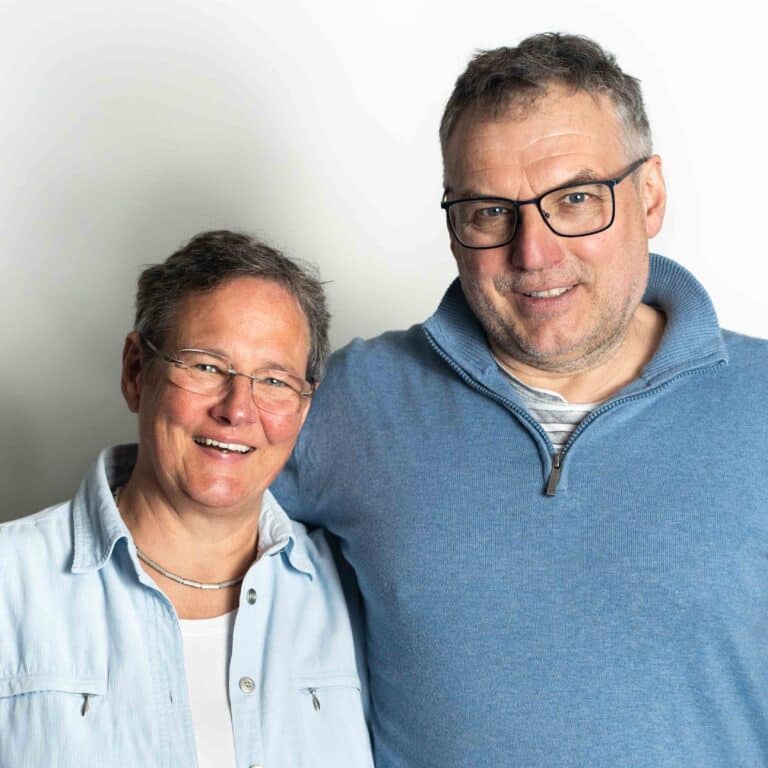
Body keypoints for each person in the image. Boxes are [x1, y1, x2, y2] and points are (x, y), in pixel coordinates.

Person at [271, 33, 768, 766]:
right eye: (489, 212)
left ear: (651, 196)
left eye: (576, 199)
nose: (534, 252)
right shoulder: (357, 401)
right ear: (453, 227)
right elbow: (166, 527)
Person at [0, 231, 373, 768]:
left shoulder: (353, 594)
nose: (237, 409)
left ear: (304, 407)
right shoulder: (12, 583)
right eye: (206, 366)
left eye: (274, 381)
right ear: (136, 371)